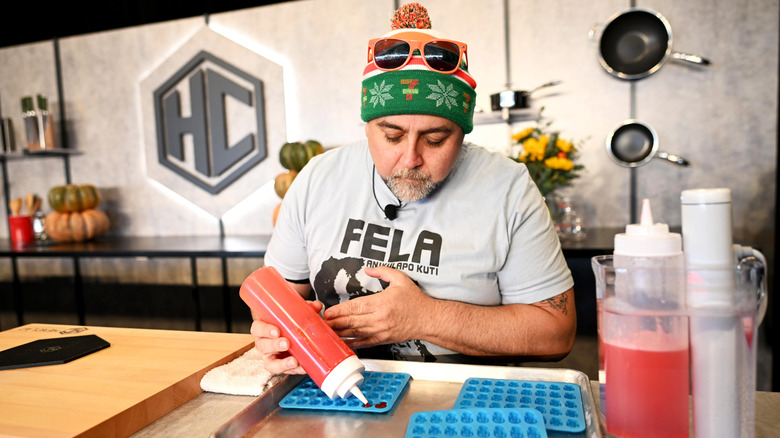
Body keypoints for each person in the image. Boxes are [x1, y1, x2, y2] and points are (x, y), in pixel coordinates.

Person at [251, 3, 575, 375]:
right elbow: (278, 297)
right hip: (335, 389)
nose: (410, 159)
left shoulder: (508, 189)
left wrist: (426, 318)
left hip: (465, 404)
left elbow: (556, 334)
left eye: (435, 139)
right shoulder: (317, 178)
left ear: (462, 132)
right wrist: (273, 332)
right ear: (368, 126)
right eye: (392, 136)